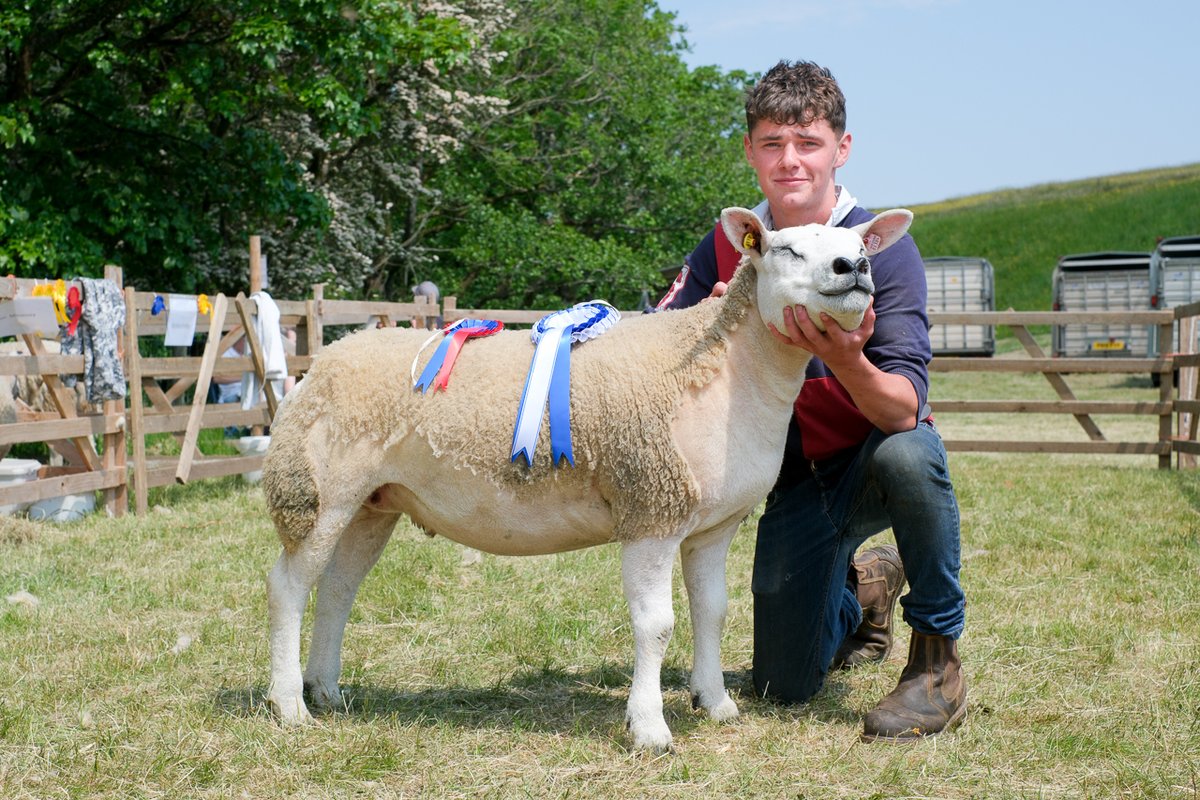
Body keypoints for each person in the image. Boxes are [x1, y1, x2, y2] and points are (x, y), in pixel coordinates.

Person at [657, 60, 966, 742]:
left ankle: (936, 659)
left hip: (870, 459)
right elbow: (657, 344)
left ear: (841, 149)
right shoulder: (729, 244)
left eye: (808, 142)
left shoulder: (879, 250)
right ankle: (865, 592)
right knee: (781, 687)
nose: (789, 161)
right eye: (771, 143)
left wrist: (844, 356)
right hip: (791, 477)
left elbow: (901, 409)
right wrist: (697, 326)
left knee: (913, 452)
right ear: (749, 152)